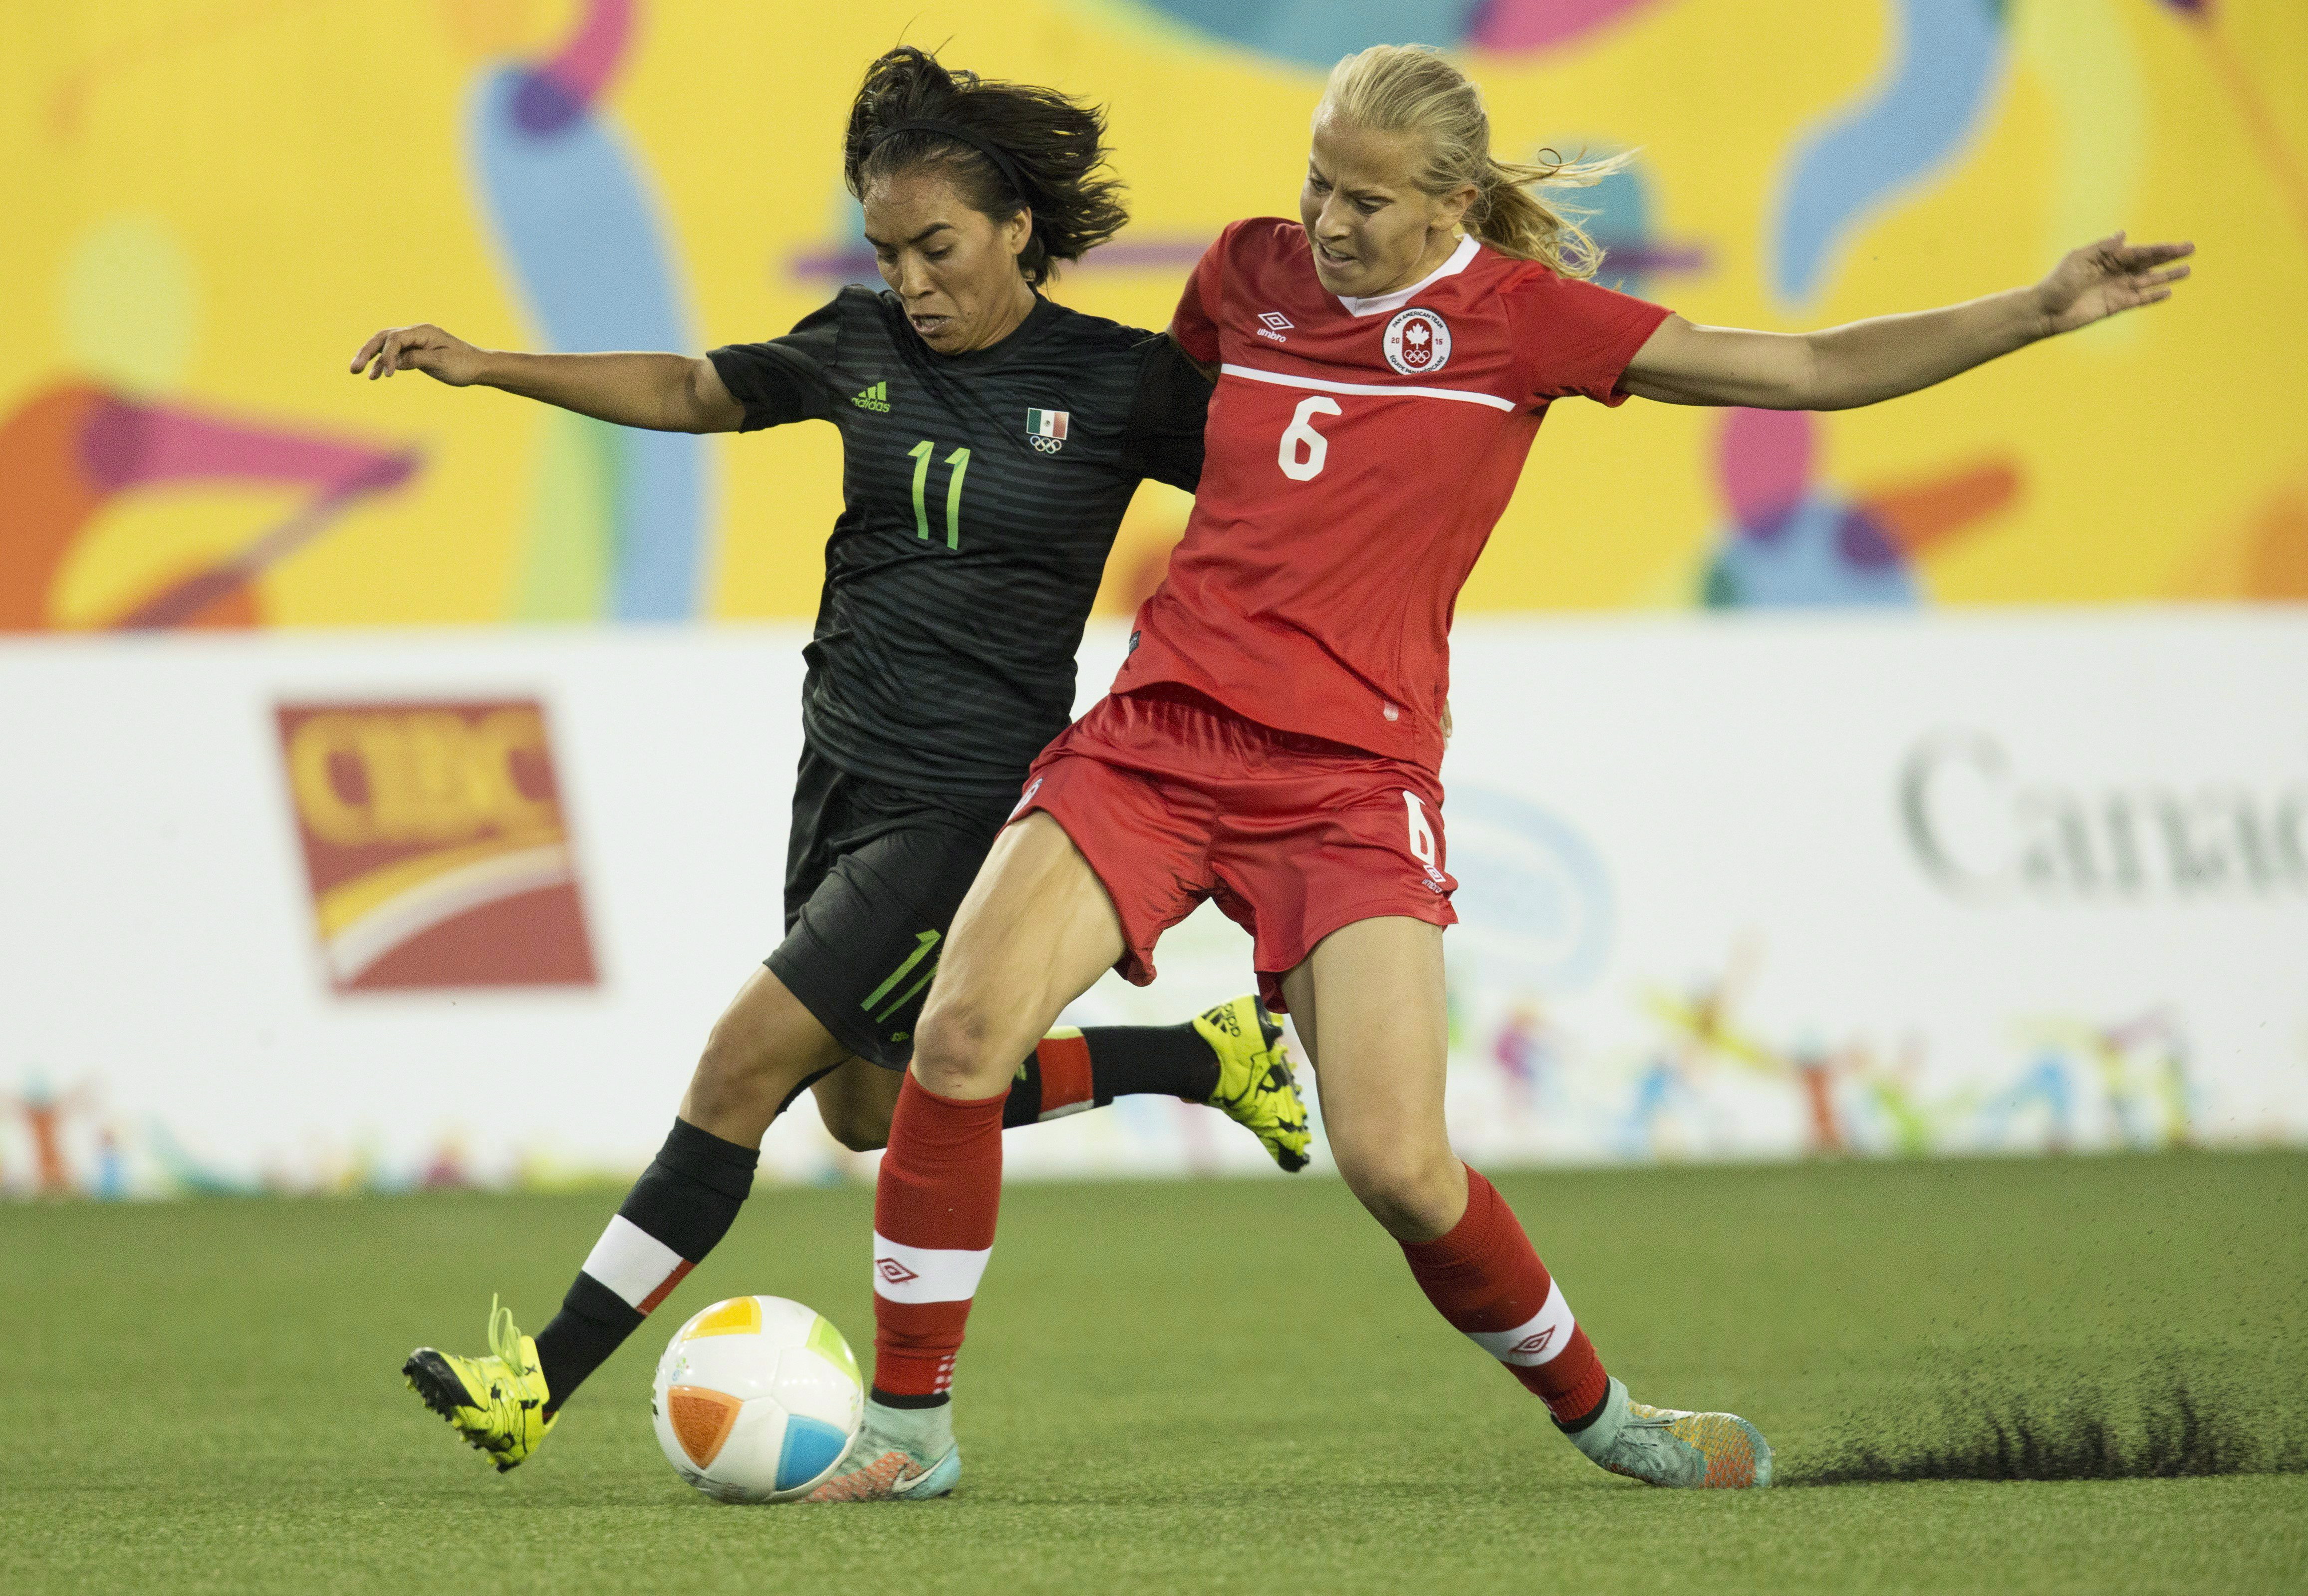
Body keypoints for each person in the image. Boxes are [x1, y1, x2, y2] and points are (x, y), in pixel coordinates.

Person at [814, 42, 2195, 1501]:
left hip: (1351, 783)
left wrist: (2038, 311)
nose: (1326, 223)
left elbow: (1803, 367)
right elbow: (1177, 449)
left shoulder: (1521, 324)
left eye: (1361, 199)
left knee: (1402, 1169)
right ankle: (911, 1434)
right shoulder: (1239, 277)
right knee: (956, 1045)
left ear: (1448, 200)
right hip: (1157, 741)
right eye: (1313, 184)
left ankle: (1610, 1420)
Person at [349, 45, 1312, 1475]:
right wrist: (490, 364)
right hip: (842, 782)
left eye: (937, 247)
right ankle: (1202, 1055)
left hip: (968, 806)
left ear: (1016, 233)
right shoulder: (858, 347)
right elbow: (690, 389)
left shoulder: (1121, 385)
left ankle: (532, 1382)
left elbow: (1286, 484)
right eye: (888, 251)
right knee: (869, 1107)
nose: (912, 278)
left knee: (740, 1068)